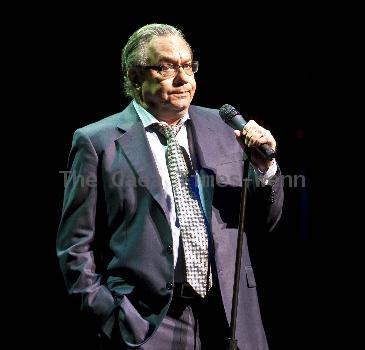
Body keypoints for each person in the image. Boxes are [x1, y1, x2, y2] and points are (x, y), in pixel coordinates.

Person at [57, 23, 283, 350]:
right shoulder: (97, 142)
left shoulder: (224, 131)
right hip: (146, 322)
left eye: (188, 66)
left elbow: (265, 223)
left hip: (230, 316)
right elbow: (74, 247)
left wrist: (267, 170)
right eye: (166, 68)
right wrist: (110, 314)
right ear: (135, 77)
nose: (183, 79)